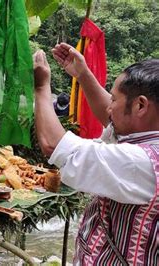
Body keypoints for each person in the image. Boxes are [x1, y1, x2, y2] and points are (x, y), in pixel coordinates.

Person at [33, 43, 158, 265]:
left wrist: (42, 87)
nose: (109, 108)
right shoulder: (145, 139)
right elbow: (111, 117)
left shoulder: (142, 162)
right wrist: (82, 74)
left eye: (114, 100)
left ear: (140, 106)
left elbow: (54, 145)